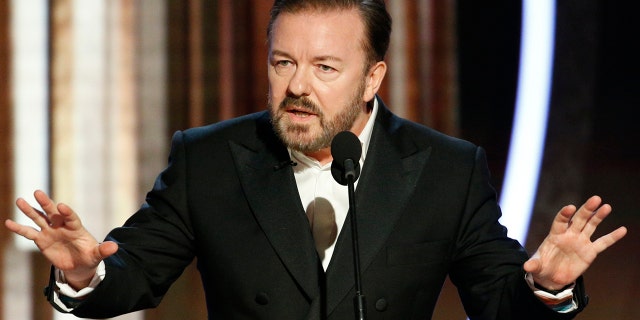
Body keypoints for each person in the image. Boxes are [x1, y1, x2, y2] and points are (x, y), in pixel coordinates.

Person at [5, 0, 627, 319]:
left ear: (372, 78)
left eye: (326, 68)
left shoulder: (445, 169)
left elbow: (497, 303)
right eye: (284, 63)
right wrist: (86, 274)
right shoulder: (212, 159)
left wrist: (546, 287)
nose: (298, 86)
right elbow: (136, 271)